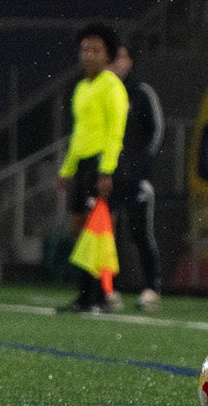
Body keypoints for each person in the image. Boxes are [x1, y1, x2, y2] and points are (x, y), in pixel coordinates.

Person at [55, 21, 130, 314]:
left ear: (108, 55)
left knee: (94, 233)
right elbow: (78, 133)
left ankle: (95, 296)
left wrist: (106, 170)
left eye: (96, 50)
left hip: (102, 164)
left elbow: (116, 130)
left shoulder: (111, 86)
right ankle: (94, 294)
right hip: (83, 164)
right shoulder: (82, 88)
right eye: (85, 49)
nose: (89, 55)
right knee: (79, 230)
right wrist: (66, 169)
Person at [109, 41, 166, 311]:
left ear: (130, 61)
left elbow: (155, 132)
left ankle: (151, 287)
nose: (116, 63)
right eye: (113, 58)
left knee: (140, 232)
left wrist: (139, 167)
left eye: (121, 57)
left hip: (135, 178)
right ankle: (110, 288)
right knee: (107, 236)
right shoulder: (103, 91)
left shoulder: (141, 93)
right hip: (108, 177)